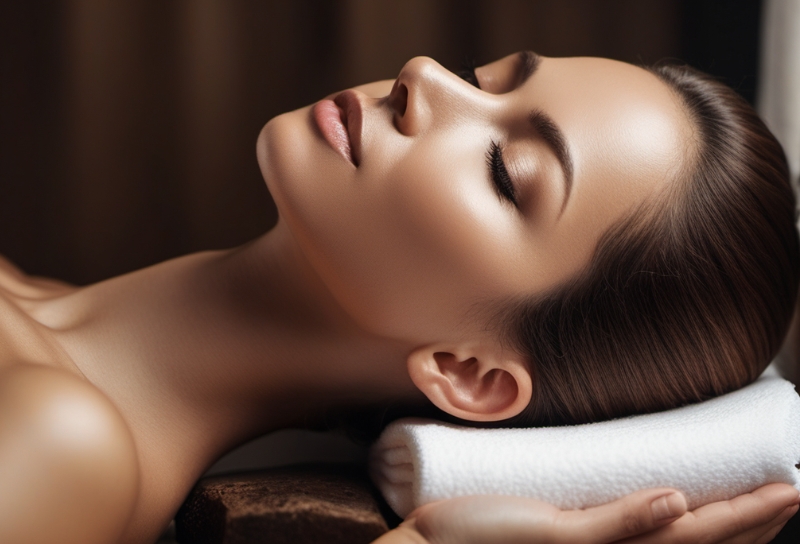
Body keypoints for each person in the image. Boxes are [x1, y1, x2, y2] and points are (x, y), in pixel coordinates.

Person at [0, 51, 798, 544]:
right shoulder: (35, 322)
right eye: (486, 78)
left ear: (468, 373)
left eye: (504, 171)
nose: (423, 78)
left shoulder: (68, 447)